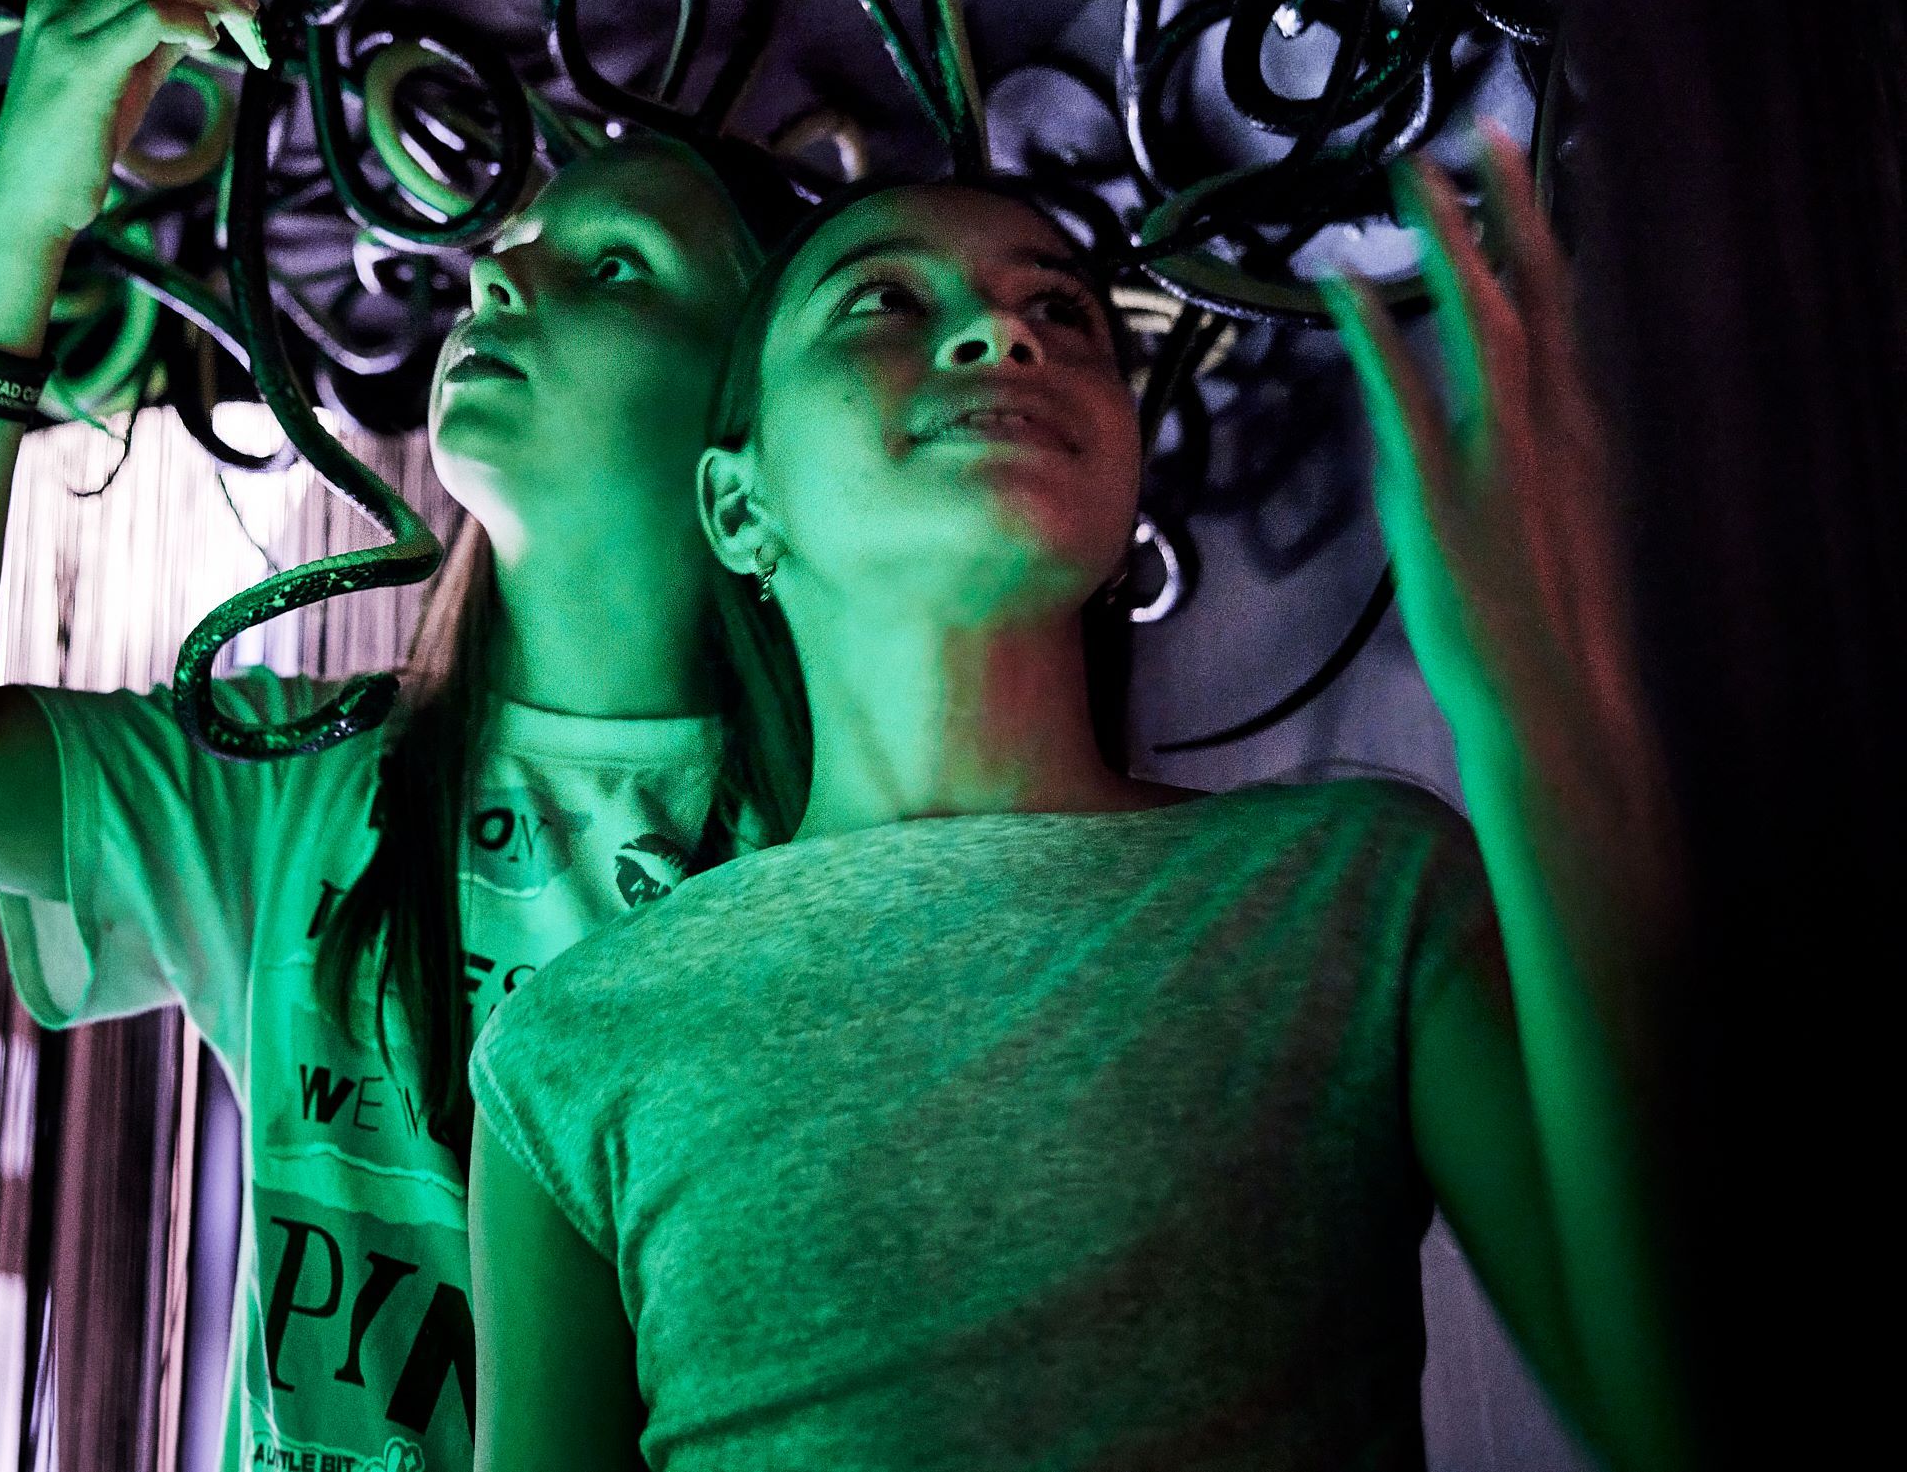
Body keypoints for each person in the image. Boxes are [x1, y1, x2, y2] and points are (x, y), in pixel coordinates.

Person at [464, 150, 1689, 1472]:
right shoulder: (571, 1043)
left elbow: (1693, 1417)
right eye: (881, 302)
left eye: (1063, 316)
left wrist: (1536, 713)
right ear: (740, 504)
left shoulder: (1357, 892)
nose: (1001, 333)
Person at [0, 0, 789, 1472]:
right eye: (512, 250)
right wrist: (24, 213)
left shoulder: (836, 866)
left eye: (616, 269)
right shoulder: (301, 786)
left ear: (762, 445)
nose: (502, 278)